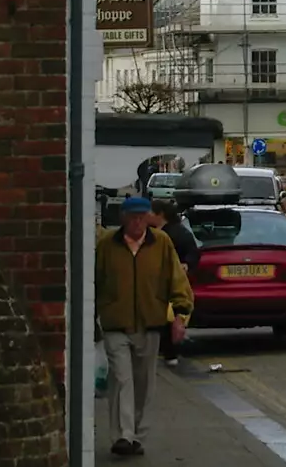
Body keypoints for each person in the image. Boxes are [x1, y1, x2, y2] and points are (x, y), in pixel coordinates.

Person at [96, 194, 193, 457]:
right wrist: (93, 318)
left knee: (144, 384)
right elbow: (95, 281)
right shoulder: (107, 244)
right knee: (121, 379)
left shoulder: (161, 243)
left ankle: (137, 436)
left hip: (150, 323)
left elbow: (176, 281)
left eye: (142, 217)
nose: (138, 223)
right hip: (116, 322)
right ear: (123, 219)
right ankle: (122, 436)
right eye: (133, 218)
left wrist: (181, 316)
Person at [149, 200, 199, 367]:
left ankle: (170, 353)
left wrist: (186, 264)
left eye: (150, 213)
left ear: (160, 214)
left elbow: (193, 253)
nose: (147, 216)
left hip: (171, 283)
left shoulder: (178, 233)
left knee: (170, 317)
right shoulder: (152, 232)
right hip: (156, 283)